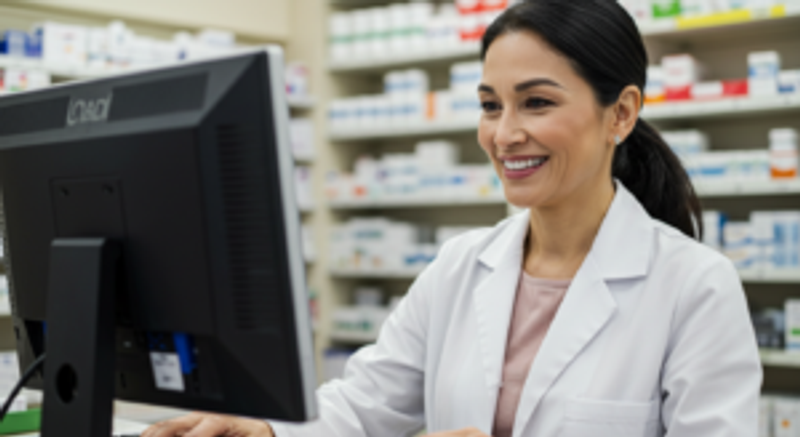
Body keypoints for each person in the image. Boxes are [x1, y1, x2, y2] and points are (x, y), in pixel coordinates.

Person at [142, 1, 762, 436]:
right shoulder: (462, 265)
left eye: (537, 102)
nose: (504, 133)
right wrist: (264, 430)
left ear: (620, 115)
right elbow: (361, 406)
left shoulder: (693, 287)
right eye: (490, 105)